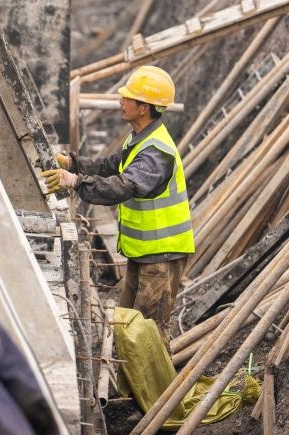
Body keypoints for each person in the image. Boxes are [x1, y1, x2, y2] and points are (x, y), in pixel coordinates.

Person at [42, 65, 194, 339]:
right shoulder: (140, 140)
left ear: (144, 107)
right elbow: (112, 166)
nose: (120, 101)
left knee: (150, 334)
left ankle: (160, 384)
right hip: (144, 252)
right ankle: (134, 381)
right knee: (128, 329)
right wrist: (73, 164)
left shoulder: (156, 154)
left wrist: (74, 181)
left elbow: (124, 186)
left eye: (127, 97)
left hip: (161, 256)